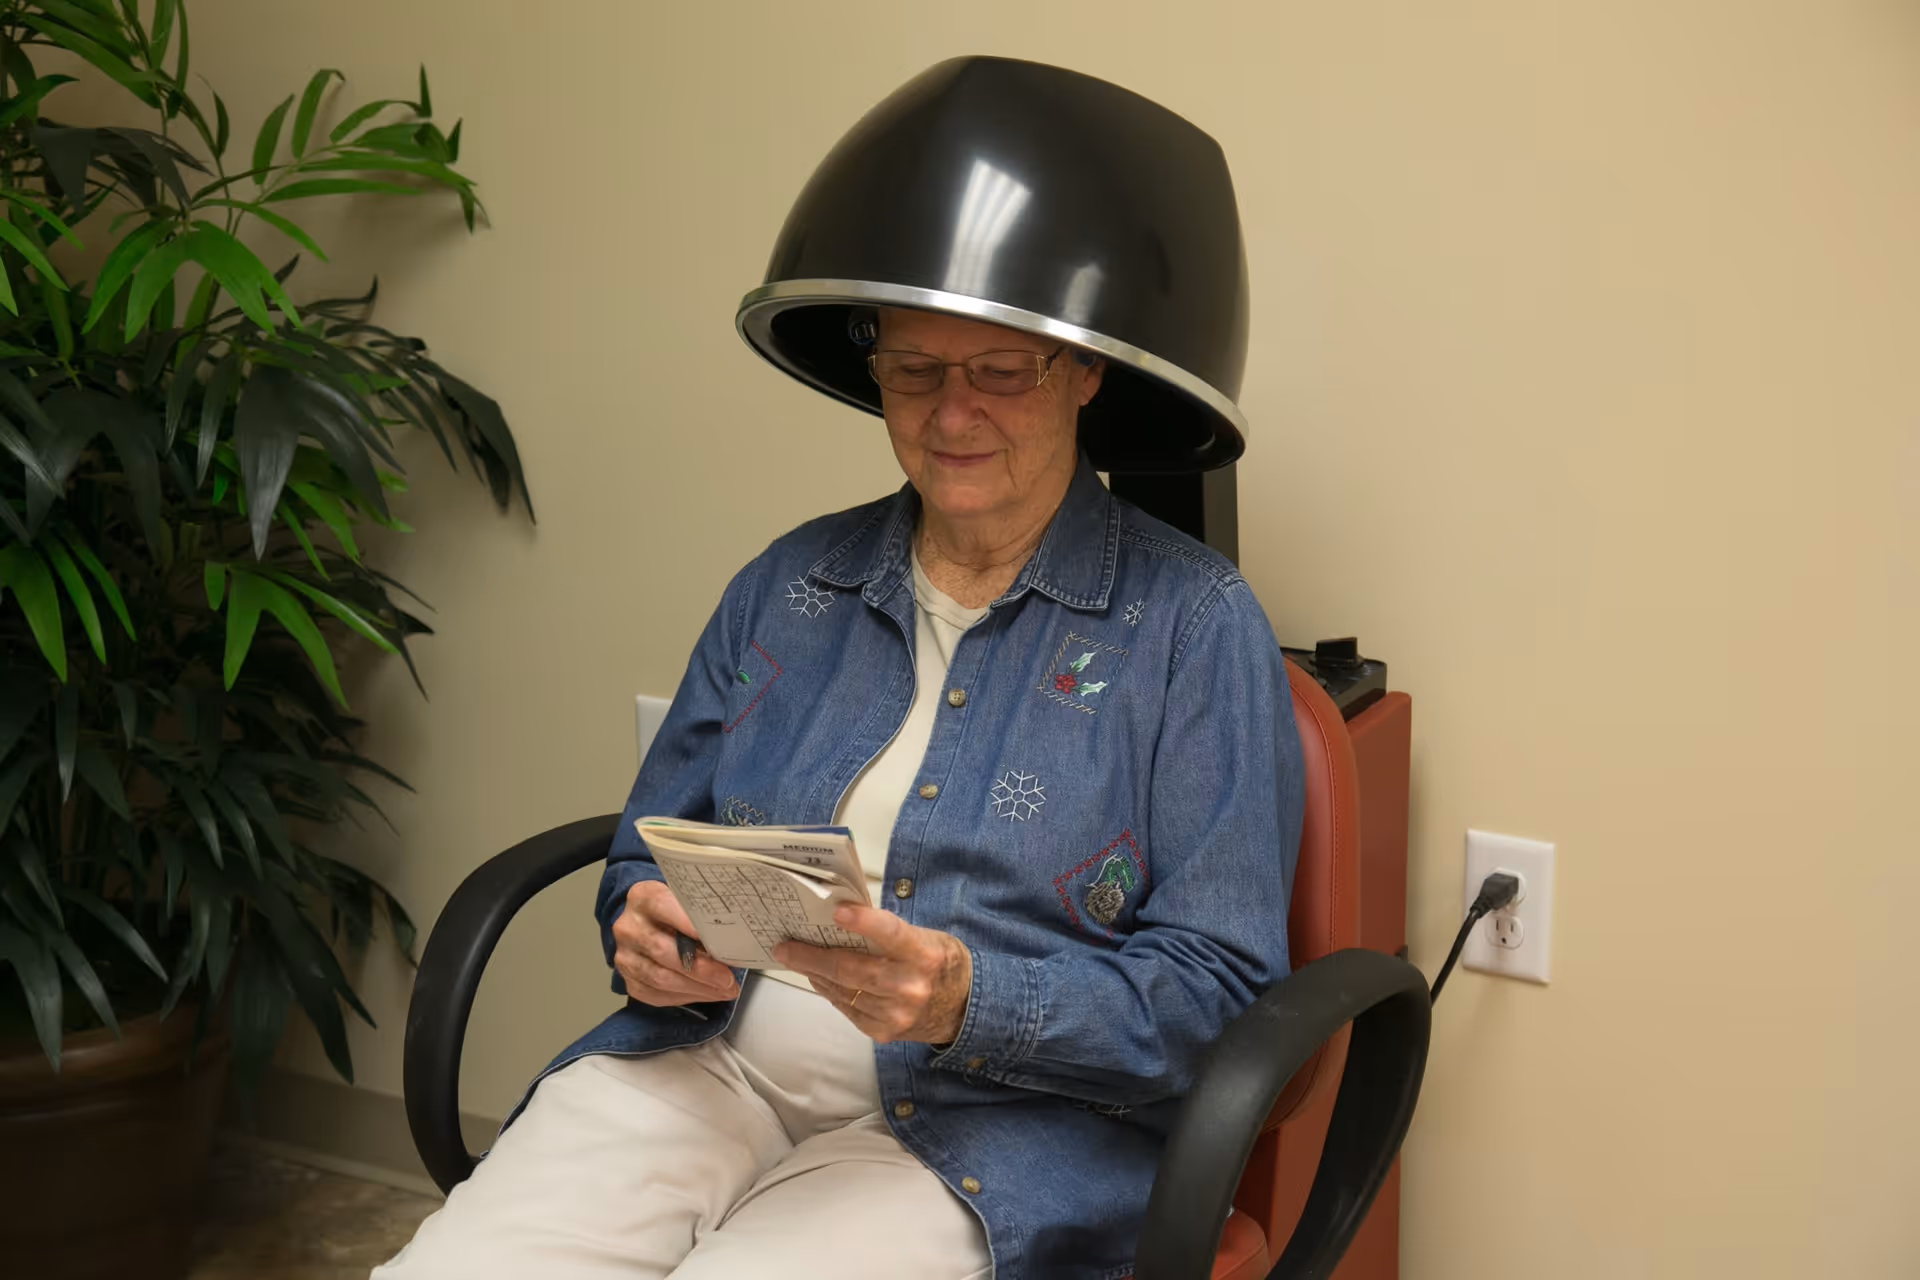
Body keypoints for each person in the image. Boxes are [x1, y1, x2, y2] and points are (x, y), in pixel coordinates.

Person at [378, 55, 1301, 1280]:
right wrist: (644, 921)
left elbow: (1220, 994)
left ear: (1084, 371)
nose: (949, 411)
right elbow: (652, 845)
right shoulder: (791, 584)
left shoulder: (1193, 626)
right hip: (710, 1063)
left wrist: (967, 998)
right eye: (914, 368)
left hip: (989, 1126)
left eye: (999, 370)